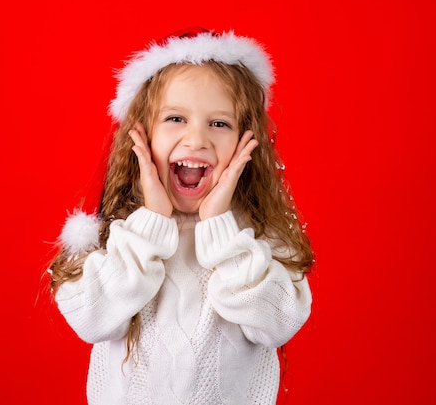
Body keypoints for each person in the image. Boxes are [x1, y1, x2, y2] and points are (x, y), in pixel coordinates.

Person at [48, 27, 314, 405]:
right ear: (141, 134)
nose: (196, 140)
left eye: (219, 123)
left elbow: (276, 325)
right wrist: (152, 221)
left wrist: (220, 228)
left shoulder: (258, 239)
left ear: (245, 140)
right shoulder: (118, 235)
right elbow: (92, 318)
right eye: (175, 118)